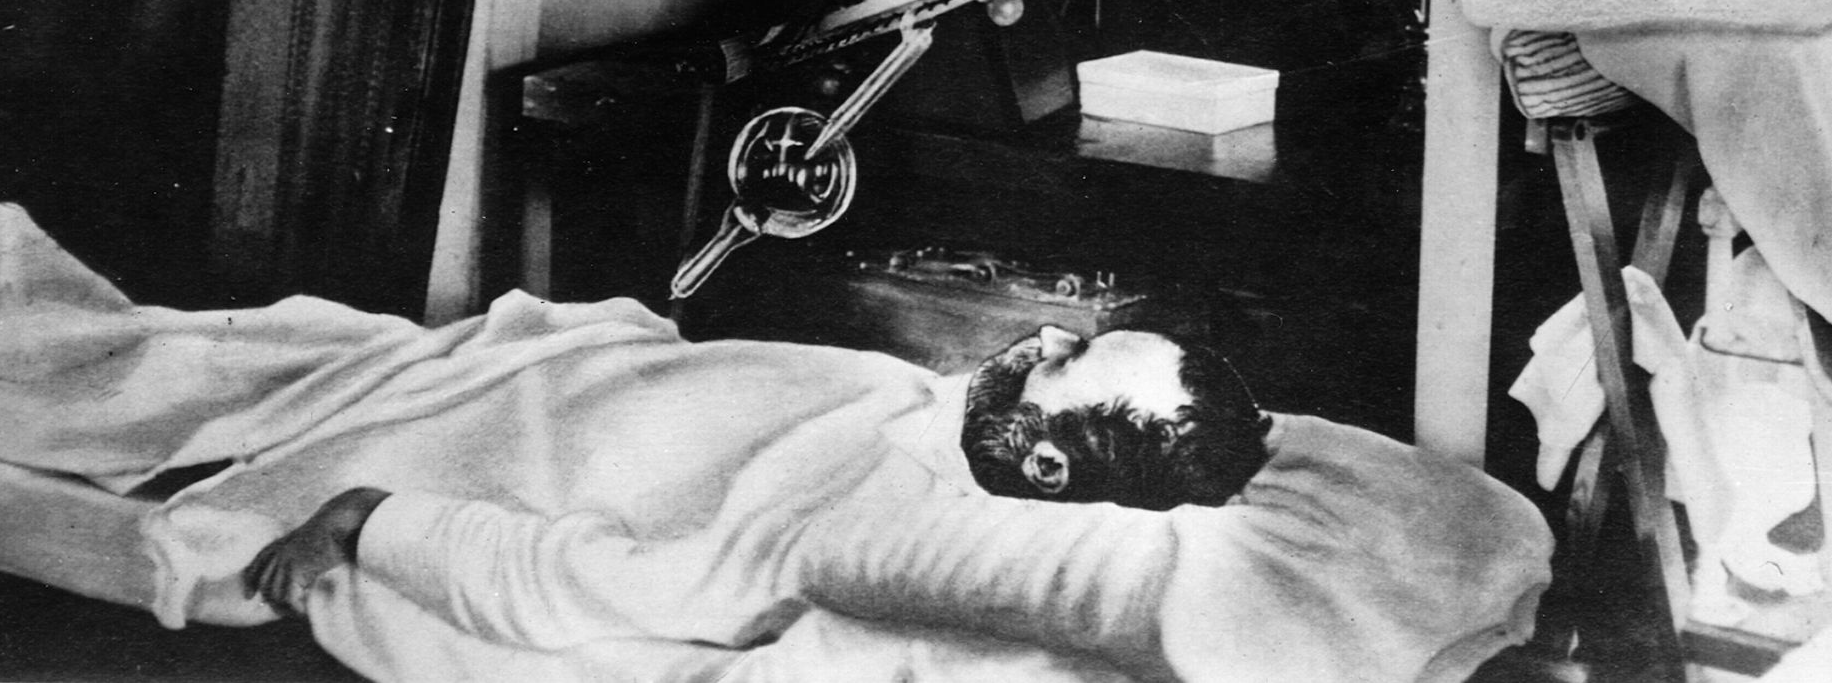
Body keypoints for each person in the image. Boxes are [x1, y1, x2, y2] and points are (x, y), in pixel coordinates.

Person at [243, 322, 1271, 620]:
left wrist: (368, 519)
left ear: (1044, 465)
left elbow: (608, 585)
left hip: (459, 434)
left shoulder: (870, 519)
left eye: (1063, 360)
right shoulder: (944, 417)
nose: (1041, 335)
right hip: (538, 363)